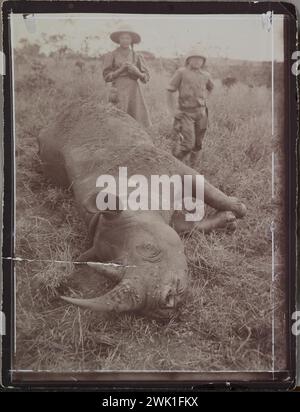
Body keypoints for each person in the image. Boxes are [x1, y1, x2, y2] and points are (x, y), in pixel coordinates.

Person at [166, 48, 214, 167]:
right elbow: (170, 90)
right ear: (189, 60)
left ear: (203, 61)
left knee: (198, 144)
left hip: (201, 113)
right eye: (194, 58)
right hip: (186, 113)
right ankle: (173, 164)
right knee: (188, 144)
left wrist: (205, 99)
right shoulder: (181, 72)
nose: (197, 61)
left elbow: (211, 88)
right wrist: (173, 111)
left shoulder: (206, 75)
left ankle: (193, 168)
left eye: (200, 59)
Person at [103, 24, 152, 128]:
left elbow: (146, 77)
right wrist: (120, 70)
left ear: (131, 40)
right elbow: (106, 77)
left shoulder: (137, 56)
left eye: (128, 38)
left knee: (136, 120)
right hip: (118, 89)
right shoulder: (111, 55)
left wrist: (137, 72)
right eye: (122, 38)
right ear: (118, 40)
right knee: (117, 119)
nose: (125, 40)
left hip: (134, 91)